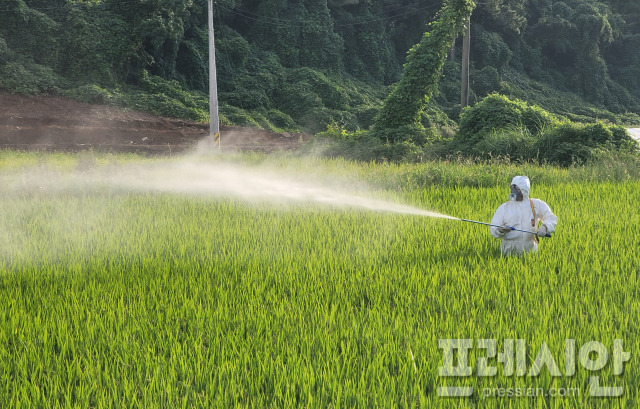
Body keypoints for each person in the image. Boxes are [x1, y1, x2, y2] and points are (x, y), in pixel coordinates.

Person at [490, 176, 558, 256]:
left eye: (517, 189)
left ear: (524, 190)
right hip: (508, 251)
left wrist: (545, 227)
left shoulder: (536, 204)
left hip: (530, 251)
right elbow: (493, 229)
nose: (514, 191)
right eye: (512, 188)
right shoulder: (504, 207)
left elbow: (551, 218)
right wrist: (501, 230)